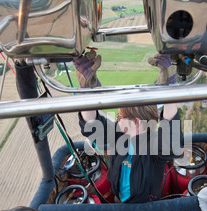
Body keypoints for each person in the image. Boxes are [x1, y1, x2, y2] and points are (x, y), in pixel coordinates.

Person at [74, 50, 184, 203]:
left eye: (120, 117)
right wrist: (85, 93)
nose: (117, 120)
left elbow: (173, 143)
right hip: (119, 197)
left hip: (146, 205)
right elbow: (92, 127)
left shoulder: (153, 145)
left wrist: (170, 90)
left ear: (136, 122)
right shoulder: (121, 135)